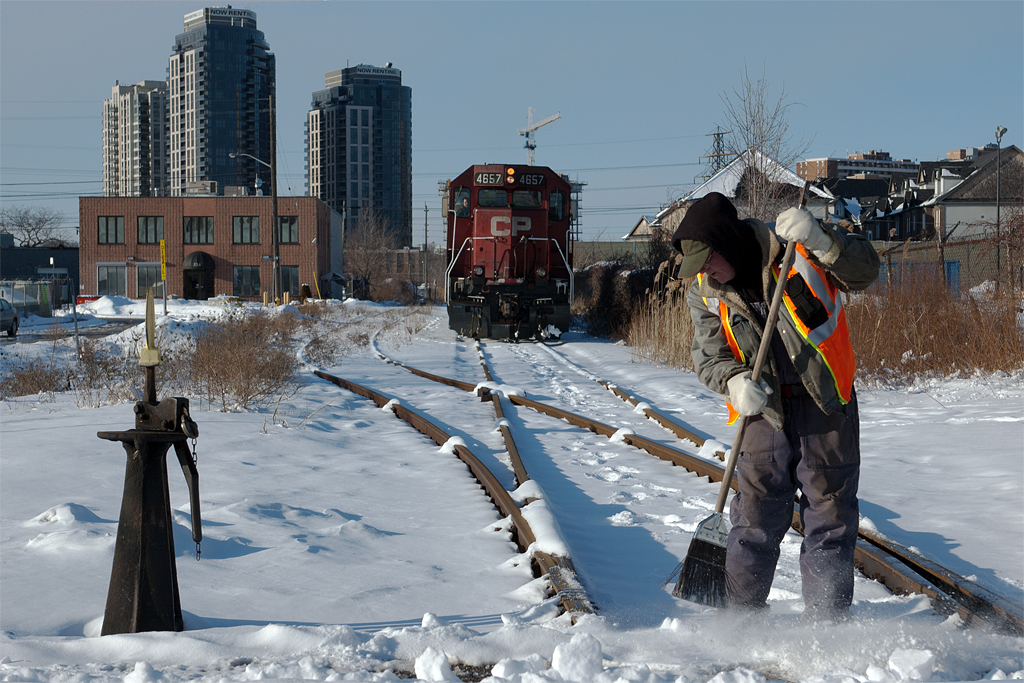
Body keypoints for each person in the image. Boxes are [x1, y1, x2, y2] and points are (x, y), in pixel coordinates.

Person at [671, 191, 879, 621]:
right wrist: (732, 381)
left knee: (829, 518)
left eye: (709, 260)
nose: (706, 272)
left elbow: (865, 271)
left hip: (825, 404)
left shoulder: (797, 248)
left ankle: (827, 625)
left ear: (728, 242)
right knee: (753, 521)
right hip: (763, 411)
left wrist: (824, 240)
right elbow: (708, 356)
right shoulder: (704, 289)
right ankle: (741, 623)